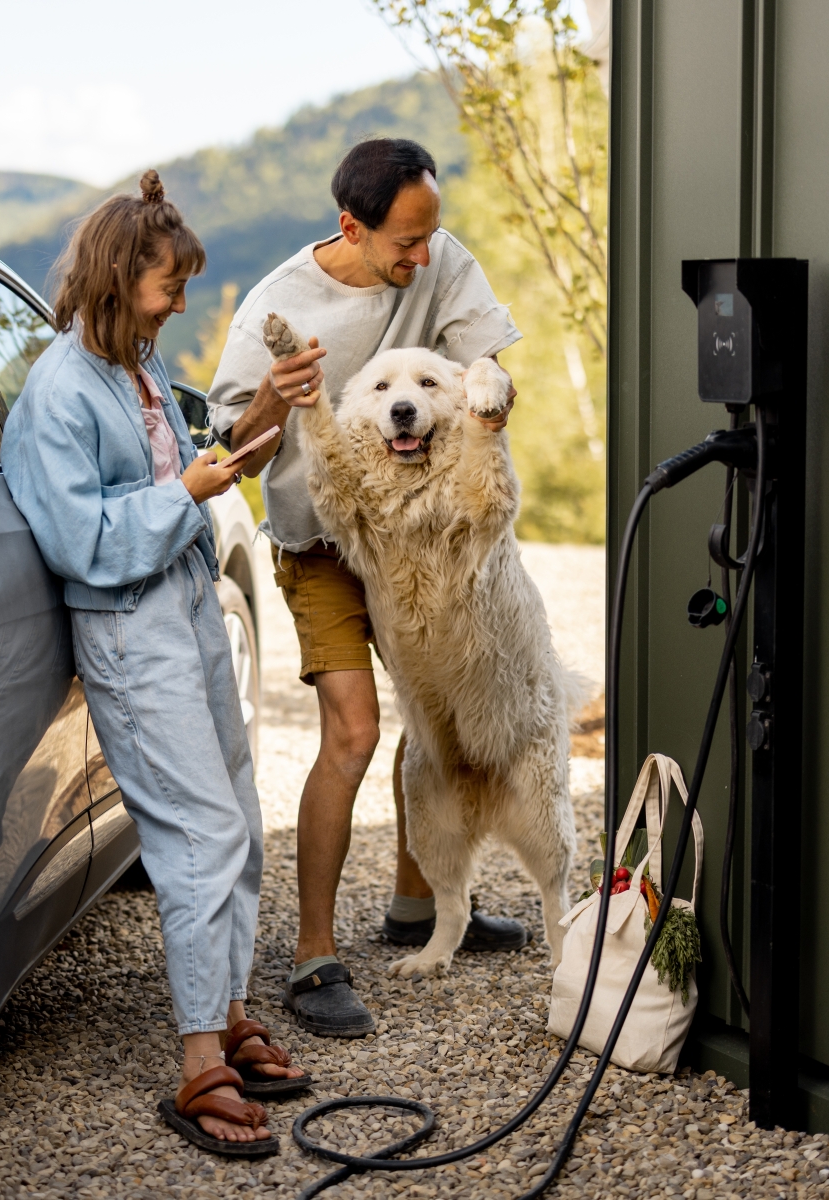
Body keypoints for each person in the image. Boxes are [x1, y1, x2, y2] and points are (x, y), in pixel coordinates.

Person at [1, 171, 309, 1156]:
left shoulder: (130, 368)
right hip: (131, 634)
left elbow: (201, 472)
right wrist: (183, 488)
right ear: (117, 274)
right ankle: (195, 1069)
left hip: (180, 614)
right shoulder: (57, 394)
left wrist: (270, 404)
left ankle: (222, 1007)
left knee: (238, 817)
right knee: (197, 834)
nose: (181, 302)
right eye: (169, 285)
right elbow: (79, 542)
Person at [207, 138, 528, 1038]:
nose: (422, 256)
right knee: (352, 731)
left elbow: (490, 372)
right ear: (351, 227)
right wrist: (277, 396)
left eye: (430, 234)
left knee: (436, 721)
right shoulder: (277, 304)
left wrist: (493, 399)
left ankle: (415, 907)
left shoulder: (439, 253)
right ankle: (314, 957)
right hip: (321, 544)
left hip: (417, 541)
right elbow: (232, 446)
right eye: (404, 242)